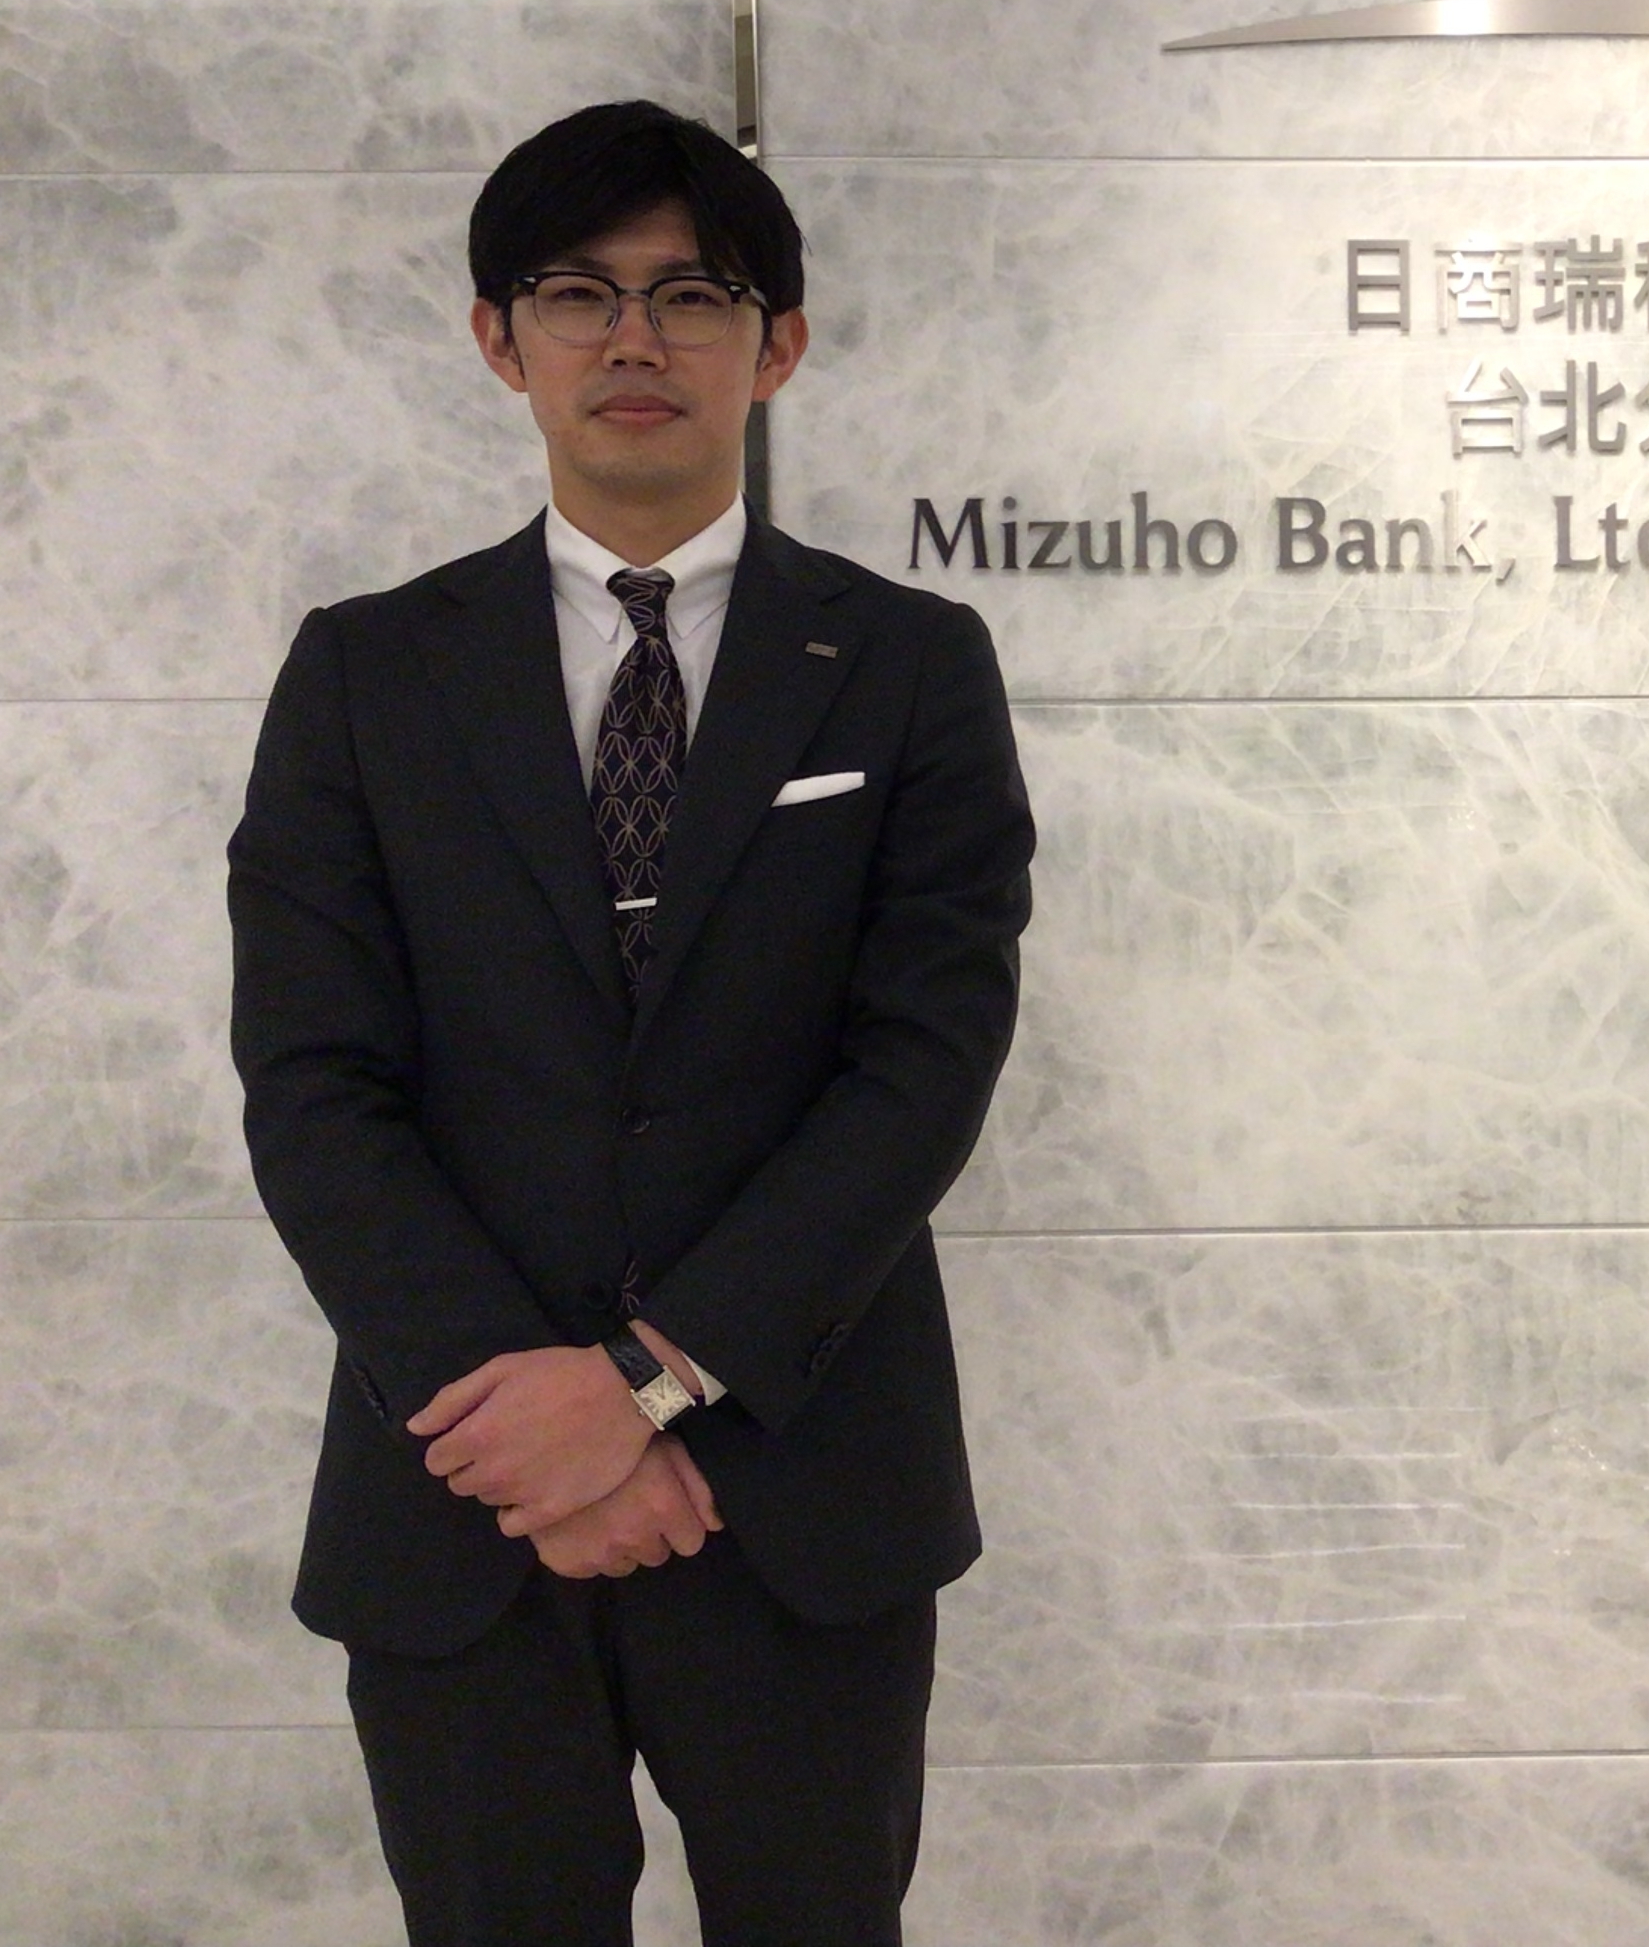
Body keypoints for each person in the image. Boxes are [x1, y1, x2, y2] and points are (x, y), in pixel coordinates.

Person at [229, 100, 1035, 1945]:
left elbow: (923, 1065)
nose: (635, 339)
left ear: (781, 344)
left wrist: (650, 1385)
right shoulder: (366, 671)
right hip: (466, 1500)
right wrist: (524, 1420)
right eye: (578, 294)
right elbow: (313, 1082)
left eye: (692, 295)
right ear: (499, 339)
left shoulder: (910, 664)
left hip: (802, 1490)